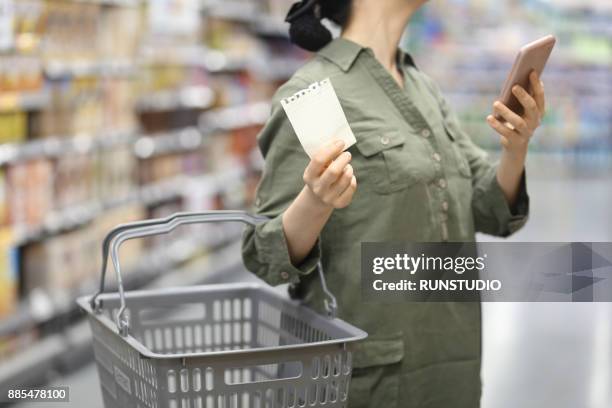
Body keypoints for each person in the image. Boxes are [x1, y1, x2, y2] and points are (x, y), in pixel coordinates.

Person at [242, 0, 546, 406]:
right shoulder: (318, 93)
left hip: (451, 364)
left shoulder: (421, 87)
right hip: (371, 379)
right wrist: (316, 200)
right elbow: (265, 255)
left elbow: (488, 207)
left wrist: (516, 148)